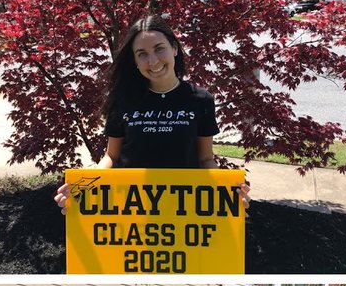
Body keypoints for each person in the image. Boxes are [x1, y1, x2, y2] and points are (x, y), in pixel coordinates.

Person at [55, 14, 248, 208]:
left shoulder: (200, 100)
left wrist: (231, 193)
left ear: (174, 48)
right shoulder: (123, 100)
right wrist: (82, 189)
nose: (153, 61)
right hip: (129, 208)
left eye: (159, 49)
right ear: (135, 61)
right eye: (142, 54)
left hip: (185, 209)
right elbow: (111, 157)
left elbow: (205, 159)